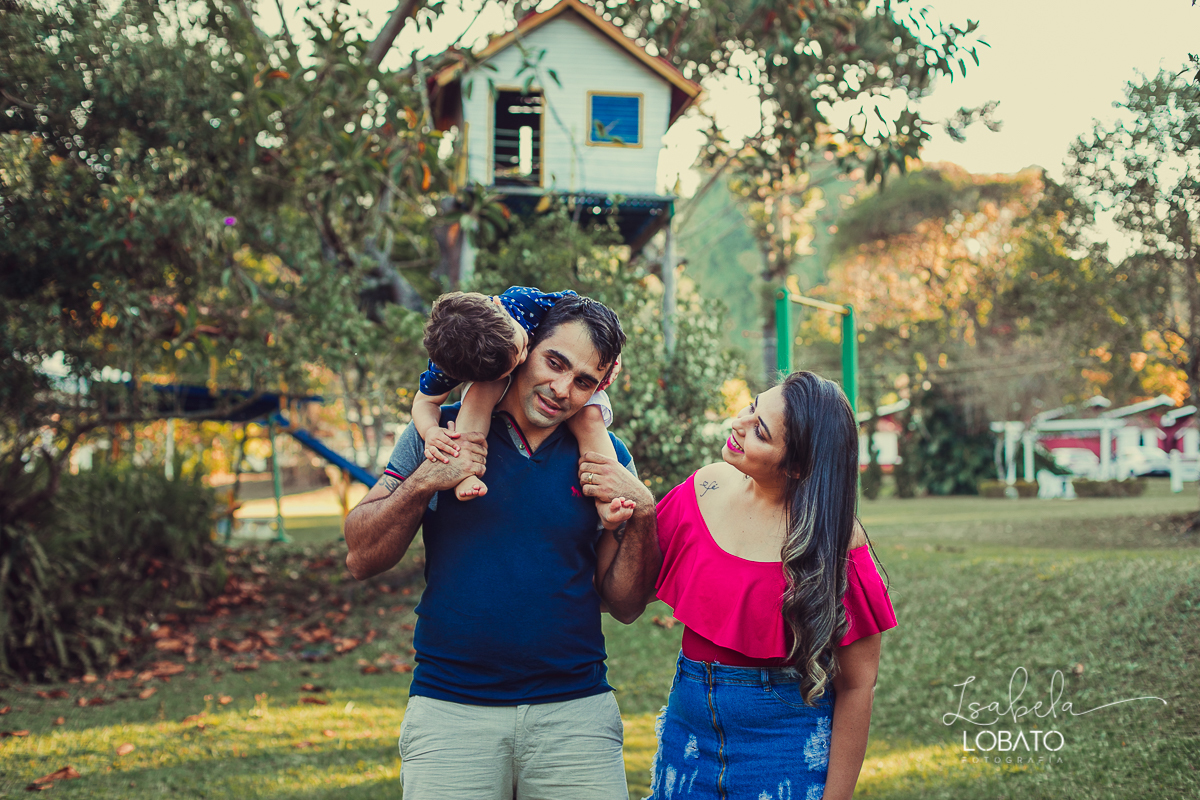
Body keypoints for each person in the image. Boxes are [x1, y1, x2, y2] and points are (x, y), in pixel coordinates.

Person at [344, 295, 659, 800]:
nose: (562, 389)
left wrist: (643, 516)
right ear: (525, 346)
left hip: (575, 711)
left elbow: (623, 604)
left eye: (583, 381)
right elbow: (361, 556)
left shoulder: (606, 455)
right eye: (554, 363)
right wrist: (428, 479)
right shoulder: (440, 431)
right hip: (451, 709)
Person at [646, 371, 896, 800]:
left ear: (797, 465)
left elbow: (857, 685)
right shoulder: (704, 488)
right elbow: (625, 591)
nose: (738, 424)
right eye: (751, 406)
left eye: (759, 431)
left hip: (784, 756)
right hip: (685, 748)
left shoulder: (835, 544)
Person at [413, 288, 626, 527]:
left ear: (498, 306)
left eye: (524, 344)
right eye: (516, 359)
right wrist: (431, 431)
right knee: (481, 394)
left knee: (591, 418)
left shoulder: (523, 301)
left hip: (582, 357)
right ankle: (464, 472)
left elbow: (587, 315)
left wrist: (612, 356)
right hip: (492, 377)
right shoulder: (450, 365)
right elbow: (424, 401)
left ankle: (607, 501)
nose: (524, 356)